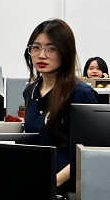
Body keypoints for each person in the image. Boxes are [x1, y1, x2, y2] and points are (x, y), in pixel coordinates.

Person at [23, 19, 98, 189]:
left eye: (52, 49)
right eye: (36, 47)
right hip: (36, 182)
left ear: (65, 52)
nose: (42, 55)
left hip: (67, 190)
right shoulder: (31, 92)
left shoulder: (80, 94)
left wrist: (53, 181)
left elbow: (89, 152)